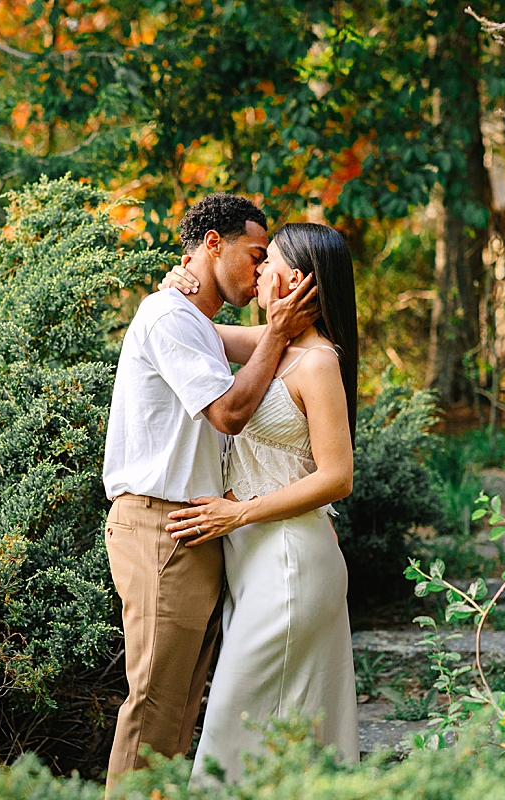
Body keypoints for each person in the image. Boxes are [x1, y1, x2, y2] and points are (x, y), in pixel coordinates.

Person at [101, 194, 319, 793]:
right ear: (213, 244)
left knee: (178, 713)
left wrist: (279, 324)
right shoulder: (168, 316)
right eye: (256, 255)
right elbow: (228, 412)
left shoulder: (193, 321)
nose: (261, 270)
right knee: (152, 708)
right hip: (159, 526)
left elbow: (291, 349)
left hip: (196, 530)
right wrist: (272, 331)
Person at [160, 222, 360, 784]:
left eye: (266, 262)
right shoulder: (273, 345)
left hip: (289, 559)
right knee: (279, 727)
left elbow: (337, 476)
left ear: (295, 281)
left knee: (233, 723)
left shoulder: (317, 362)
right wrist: (183, 280)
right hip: (251, 561)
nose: (256, 273)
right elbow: (196, 328)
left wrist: (238, 512)